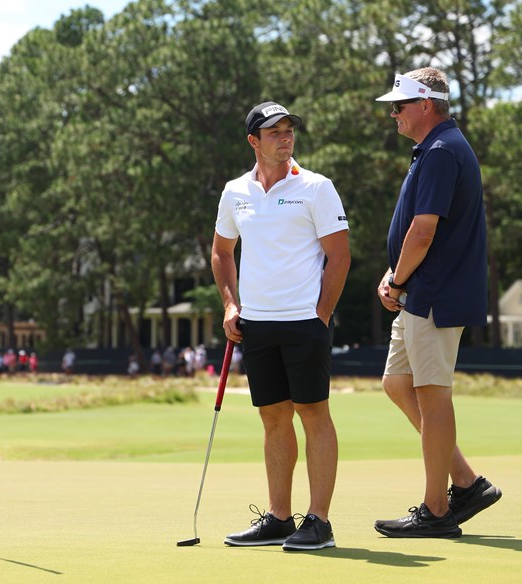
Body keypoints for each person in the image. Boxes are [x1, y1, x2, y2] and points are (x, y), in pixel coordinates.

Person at [212, 101, 350, 551]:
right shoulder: (235, 192)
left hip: (304, 322)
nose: (285, 137)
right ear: (254, 140)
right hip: (256, 324)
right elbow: (221, 251)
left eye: (288, 129)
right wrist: (231, 305)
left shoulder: (316, 187)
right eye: (274, 131)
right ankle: (278, 518)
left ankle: (320, 522)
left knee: (314, 415)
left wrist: (322, 314)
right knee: (273, 420)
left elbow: (340, 255)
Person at [372, 68, 501, 538]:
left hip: (434, 295)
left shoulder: (443, 151)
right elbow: (418, 228)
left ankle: (436, 511)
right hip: (420, 293)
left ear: (426, 105)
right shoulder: (435, 148)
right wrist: (396, 276)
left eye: (400, 105)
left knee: (431, 392)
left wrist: (397, 279)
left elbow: (423, 231)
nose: (393, 113)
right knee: (397, 382)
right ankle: (466, 483)